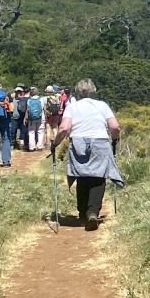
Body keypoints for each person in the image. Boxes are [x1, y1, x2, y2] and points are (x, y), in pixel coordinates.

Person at [50, 79, 123, 230]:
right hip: (100, 141)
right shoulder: (102, 105)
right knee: (98, 176)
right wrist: (115, 139)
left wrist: (55, 143)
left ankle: (83, 213)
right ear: (94, 91)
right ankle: (92, 212)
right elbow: (115, 126)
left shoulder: (72, 106)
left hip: (78, 142)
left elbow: (64, 128)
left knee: (82, 175)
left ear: (77, 91)